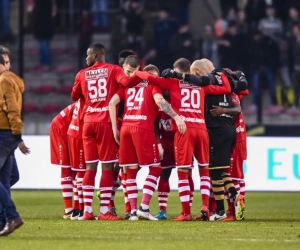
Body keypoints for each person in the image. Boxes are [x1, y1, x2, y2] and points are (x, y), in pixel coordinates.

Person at [135, 58, 231, 221]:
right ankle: (205, 207)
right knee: (204, 170)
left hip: (184, 129)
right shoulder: (201, 84)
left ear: (177, 71)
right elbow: (224, 88)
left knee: (183, 171)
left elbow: (148, 77)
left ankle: (186, 213)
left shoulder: (173, 83)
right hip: (201, 129)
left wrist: (135, 71)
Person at [162, 59, 246, 221]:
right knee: (220, 171)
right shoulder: (226, 88)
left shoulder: (206, 87)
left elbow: (199, 82)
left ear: (199, 73)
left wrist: (174, 75)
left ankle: (222, 209)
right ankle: (230, 202)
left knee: (214, 171)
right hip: (229, 130)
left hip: (217, 131)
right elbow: (242, 95)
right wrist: (240, 76)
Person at [109, 58, 186, 221]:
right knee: (157, 168)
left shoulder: (128, 85)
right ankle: (144, 207)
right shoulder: (152, 85)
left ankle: (132, 212)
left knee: (130, 171)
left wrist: (115, 129)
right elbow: (159, 101)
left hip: (125, 129)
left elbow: (112, 103)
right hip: (142, 127)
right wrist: (177, 117)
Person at [71, 43, 141, 221]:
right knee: (107, 167)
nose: (86, 57)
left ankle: (87, 210)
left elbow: (74, 95)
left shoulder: (81, 74)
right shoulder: (113, 70)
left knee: (90, 167)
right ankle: (104, 211)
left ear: (95, 55)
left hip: (88, 123)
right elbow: (127, 82)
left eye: (88, 54)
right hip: (105, 123)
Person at [0, 54, 30, 236]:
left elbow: (11, 109)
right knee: (4, 180)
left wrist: (17, 135)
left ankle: (12, 216)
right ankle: (3, 221)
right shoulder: (12, 80)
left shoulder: (4, 80)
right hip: (9, 135)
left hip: (3, 134)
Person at [49, 103, 76, 219]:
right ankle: (69, 210)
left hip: (70, 128)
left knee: (76, 167)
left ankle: (78, 208)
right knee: (66, 168)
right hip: (60, 128)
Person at [67, 98, 86, 220]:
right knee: (81, 172)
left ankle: (77, 209)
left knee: (79, 172)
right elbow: (83, 117)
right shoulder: (87, 99)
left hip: (73, 132)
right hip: (79, 134)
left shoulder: (82, 96)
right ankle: (79, 210)